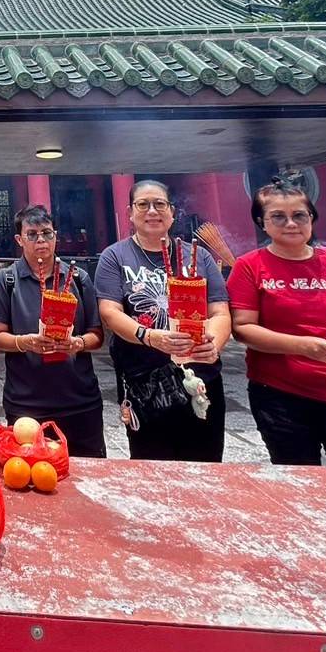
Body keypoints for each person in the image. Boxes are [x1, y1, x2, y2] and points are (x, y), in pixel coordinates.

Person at [228, 181, 326, 468]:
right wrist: (303, 347)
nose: (291, 224)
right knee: (299, 479)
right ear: (261, 222)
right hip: (282, 393)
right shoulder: (250, 266)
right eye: (278, 216)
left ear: (312, 218)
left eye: (300, 215)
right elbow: (242, 329)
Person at [95, 180, 231, 462]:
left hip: (199, 377)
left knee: (205, 463)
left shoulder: (199, 257)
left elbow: (219, 311)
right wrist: (150, 336)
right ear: (130, 212)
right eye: (143, 204)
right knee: (151, 462)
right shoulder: (115, 256)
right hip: (144, 380)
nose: (152, 211)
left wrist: (213, 345)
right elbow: (109, 312)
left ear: (172, 212)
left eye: (160, 204)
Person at [0, 205, 107, 458]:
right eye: (32, 234)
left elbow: (97, 335)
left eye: (46, 233)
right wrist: (26, 342)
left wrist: (77, 343)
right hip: (27, 402)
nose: (40, 240)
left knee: (86, 475)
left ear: (56, 236)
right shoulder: (8, 280)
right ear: (19, 239)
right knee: (28, 472)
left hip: (79, 401)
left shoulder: (79, 279)